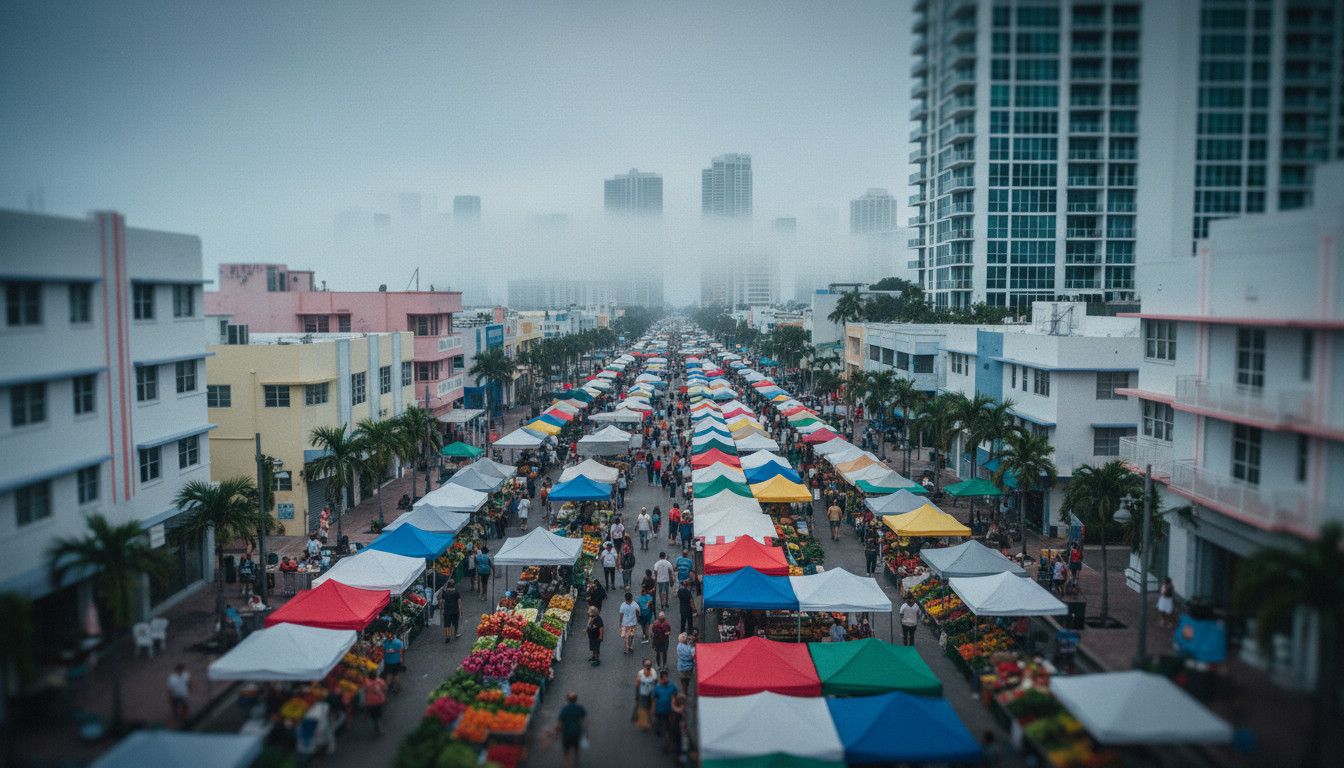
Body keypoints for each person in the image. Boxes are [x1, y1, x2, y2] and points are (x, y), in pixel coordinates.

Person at [555, 691, 587, 768]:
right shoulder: (580, 708)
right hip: (577, 733)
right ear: (576, 699)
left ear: (567, 700)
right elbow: (585, 721)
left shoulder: (564, 709)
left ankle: (567, 765)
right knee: (576, 751)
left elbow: (559, 724)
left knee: (567, 754)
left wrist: (556, 733)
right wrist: (583, 730)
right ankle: (576, 764)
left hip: (567, 735)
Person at [651, 670, 679, 754]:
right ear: (661, 679)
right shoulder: (657, 689)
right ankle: (662, 736)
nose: (666, 679)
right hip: (659, 712)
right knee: (660, 728)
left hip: (669, 712)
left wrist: (675, 710)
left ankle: (666, 745)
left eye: (667, 677)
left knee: (667, 729)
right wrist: (652, 711)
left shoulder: (672, 687)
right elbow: (654, 701)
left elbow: (674, 698)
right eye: (664, 678)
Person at [634, 659, 658, 731]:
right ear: (644, 666)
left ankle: (649, 720)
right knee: (644, 708)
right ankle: (645, 722)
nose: (648, 666)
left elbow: (656, 681)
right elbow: (638, 684)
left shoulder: (653, 672)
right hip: (643, 693)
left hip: (652, 693)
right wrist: (637, 694)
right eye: (647, 665)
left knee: (651, 707)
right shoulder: (640, 673)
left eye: (649, 665)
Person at [363, 671, 388, 736]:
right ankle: (379, 728)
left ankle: (375, 727)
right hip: (379, 700)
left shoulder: (366, 683)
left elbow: (364, 688)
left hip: (369, 702)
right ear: (376, 675)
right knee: (378, 714)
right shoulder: (380, 681)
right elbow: (385, 688)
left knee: (373, 716)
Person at [167, 663, 191, 728]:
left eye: (182, 670)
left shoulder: (186, 675)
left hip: (183, 694)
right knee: (175, 707)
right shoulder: (172, 678)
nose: (181, 671)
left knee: (185, 706)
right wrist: (169, 697)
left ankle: (183, 717)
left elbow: (189, 682)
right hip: (175, 695)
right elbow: (169, 688)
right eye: (180, 670)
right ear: (177, 670)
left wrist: (189, 688)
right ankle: (175, 719)